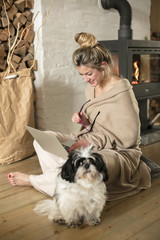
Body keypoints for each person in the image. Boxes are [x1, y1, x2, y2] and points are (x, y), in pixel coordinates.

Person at [8, 32, 151, 201]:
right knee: (42, 139)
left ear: (103, 66)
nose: (85, 79)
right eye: (81, 75)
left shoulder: (122, 92)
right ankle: (65, 180)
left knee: (88, 166)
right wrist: (84, 120)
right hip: (87, 140)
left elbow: (128, 138)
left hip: (116, 151)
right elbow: (97, 124)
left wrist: (91, 142)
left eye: (89, 74)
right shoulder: (91, 88)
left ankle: (37, 181)